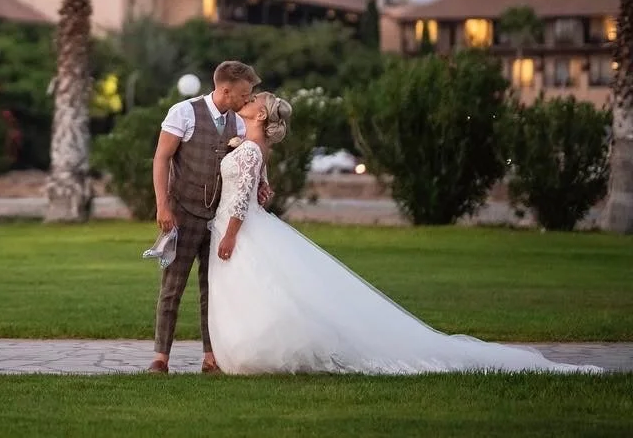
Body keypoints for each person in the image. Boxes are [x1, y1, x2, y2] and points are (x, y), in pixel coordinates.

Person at [206, 91, 602, 375]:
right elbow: (259, 188)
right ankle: (252, 349)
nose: (246, 102)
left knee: (260, 286)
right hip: (242, 224)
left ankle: (259, 351)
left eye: (252, 102)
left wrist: (230, 234)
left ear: (260, 117)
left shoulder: (250, 149)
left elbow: (241, 199)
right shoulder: (254, 148)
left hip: (239, 227)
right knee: (260, 288)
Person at [148, 60, 271, 374]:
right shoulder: (183, 112)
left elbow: (249, 161)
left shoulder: (240, 123)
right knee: (172, 287)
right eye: (244, 93)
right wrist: (163, 206)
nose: (248, 99)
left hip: (218, 218)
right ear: (226, 90)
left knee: (212, 291)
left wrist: (263, 183)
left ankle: (211, 357)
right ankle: (160, 358)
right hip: (183, 213)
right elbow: (162, 158)